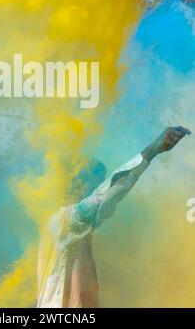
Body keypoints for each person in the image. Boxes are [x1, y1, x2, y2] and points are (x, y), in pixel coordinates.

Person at [37, 126, 191, 308]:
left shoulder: (69, 227)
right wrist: (151, 151)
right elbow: (105, 196)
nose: (98, 188)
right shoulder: (66, 221)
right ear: (79, 185)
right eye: (94, 184)